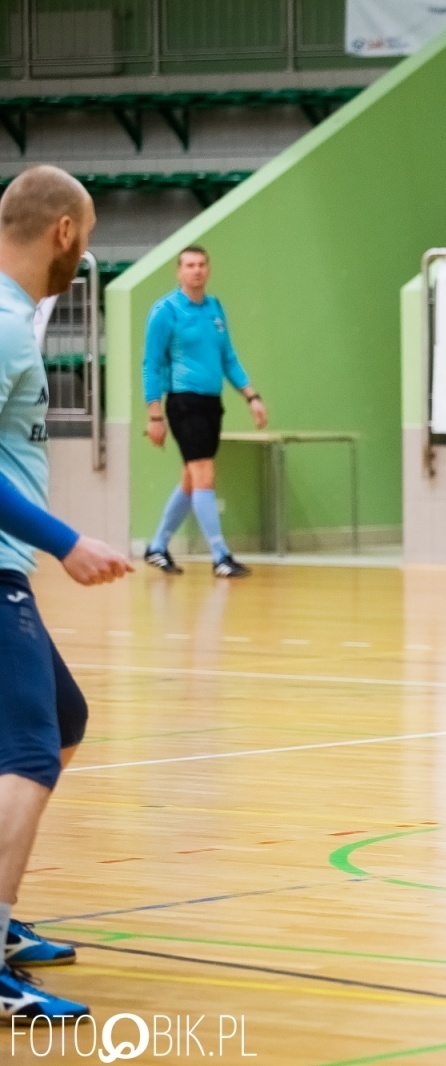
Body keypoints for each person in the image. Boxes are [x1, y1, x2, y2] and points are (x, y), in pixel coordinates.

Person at [0, 165, 135, 1017]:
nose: (83, 254)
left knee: (64, 718)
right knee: (28, 754)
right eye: (84, 236)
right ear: (63, 233)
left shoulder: (16, 321)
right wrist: (67, 542)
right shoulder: (7, 326)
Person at [141, 245, 266, 578]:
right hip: (184, 402)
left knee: (190, 480)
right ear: (179, 272)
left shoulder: (214, 309)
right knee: (205, 475)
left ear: (208, 269)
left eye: (201, 265)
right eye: (189, 265)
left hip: (212, 403)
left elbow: (228, 358)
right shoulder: (165, 311)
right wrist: (155, 415)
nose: (196, 270)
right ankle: (220, 556)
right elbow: (150, 364)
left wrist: (252, 396)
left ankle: (157, 546)